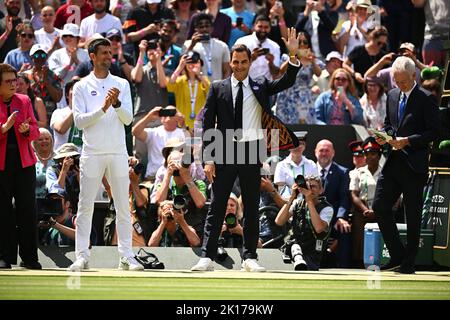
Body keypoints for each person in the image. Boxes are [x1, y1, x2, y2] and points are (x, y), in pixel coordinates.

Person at [191, 28, 302, 272]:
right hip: (225, 152)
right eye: (235, 62)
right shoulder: (217, 87)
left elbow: (287, 81)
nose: (239, 66)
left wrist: (292, 57)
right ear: (230, 62)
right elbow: (208, 124)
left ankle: (250, 257)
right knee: (217, 205)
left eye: (243, 62)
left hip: (252, 151)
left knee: (251, 206)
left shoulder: (261, 84)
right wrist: (208, 159)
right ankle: (207, 257)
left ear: (250, 62)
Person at [70, 38, 143, 272]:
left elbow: (128, 119)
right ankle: (82, 256)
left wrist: (117, 104)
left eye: (110, 52)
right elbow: (80, 122)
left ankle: (126, 256)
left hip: (118, 152)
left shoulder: (121, 83)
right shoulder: (81, 86)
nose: (108, 57)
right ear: (92, 56)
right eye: (103, 53)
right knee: (85, 206)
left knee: (123, 206)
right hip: (92, 152)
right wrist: (103, 107)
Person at [372, 56, 440, 274]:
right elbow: (390, 124)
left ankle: (408, 263)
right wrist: (386, 136)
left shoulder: (426, 98)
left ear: (414, 76)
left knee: (412, 215)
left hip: (414, 164)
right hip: (393, 161)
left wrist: (408, 140)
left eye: (402, 81)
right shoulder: (392, 95)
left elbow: (434, 132)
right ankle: (397, 255)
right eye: (395, 80)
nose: (398, 85)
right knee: (379, 206)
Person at [0, 63, 41, 270]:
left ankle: (30, 257)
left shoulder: (24, 100)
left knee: (27, 208)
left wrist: (26, 130)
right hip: (1, 164)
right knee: (2, 209)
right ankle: (3, 256)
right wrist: (3, 129)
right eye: (8, 81)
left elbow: (36, 129)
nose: (13, 84)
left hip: (24, 161)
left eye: (14, 80)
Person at [275, 175, 333, 270]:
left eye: (313, 186)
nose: (310, 189)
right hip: (294, 248)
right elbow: (279, 221)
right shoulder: (298, 203)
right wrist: (291, 198)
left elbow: (319, 228)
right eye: (307, 186)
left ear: (321, 190)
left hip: (311, 252)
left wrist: (309, 200)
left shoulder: (326, 208)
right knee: (293, 246)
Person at [314, 139, 351, 268]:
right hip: (312, 218)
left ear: (333, 153)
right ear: (315, 152)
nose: (324, 153)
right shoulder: (308, 169)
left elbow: (344, 198)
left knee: (344, 229)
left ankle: (344, 269)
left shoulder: (342, 172)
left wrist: (341, 218)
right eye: (321, 150)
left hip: (333, 219)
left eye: (327, 150)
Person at [275, 31, 322, 124]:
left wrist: (312, 61)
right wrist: (293, 57)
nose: (302, 44)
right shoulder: (287, 57)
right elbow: (281, 71)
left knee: (304, 128)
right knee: (284, 126)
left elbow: (319, 74)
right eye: (299, 42)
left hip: (304, 98)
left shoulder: (312, 60)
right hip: (287, 95)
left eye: (305, 42)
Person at [350, 137, 382, 267]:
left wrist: (377, 210)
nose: (369, 157)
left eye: (373, 153)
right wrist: (365, 210)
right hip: (362, 211)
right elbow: (353, 194)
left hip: (381, 210)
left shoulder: (384, 172)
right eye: (366, 154)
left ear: (379, 155)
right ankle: (360, 265)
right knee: (360, 241)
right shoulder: (358, 173)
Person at [132, 105, 186, 181]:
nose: (168, 116)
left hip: (176, 178)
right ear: (161, 118)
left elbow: (195, 146)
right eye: (165, 113)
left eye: (171, 113)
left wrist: (183, 124)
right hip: (152, 178)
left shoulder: (183, 133)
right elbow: (135, 132)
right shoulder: (154, 132)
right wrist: (149, 117)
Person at [165, 50, 210, 130]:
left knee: (198, 142)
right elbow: (170, 86)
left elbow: (210, 91)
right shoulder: (180, 80)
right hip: (182, 125)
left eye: (194, 62)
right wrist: (179, 67)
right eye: (188, 62)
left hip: (200, 125)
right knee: (185, 142)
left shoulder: (203, 80)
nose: (191, 64)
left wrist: (199, 74)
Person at [183, 13, 231, 82]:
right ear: (196, 29)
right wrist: (192, 45)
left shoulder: (222, 46)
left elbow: (227, 71)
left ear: (212, 28)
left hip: (216, 89)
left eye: (207, 26)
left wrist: (222, 88)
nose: (204, 29)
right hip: (196, 89)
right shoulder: (187, 44)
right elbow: (182, 65)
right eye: (201, 27)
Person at [234, 15, 280, 81]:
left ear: (270, 28)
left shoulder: (275, 46)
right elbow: (235, 67)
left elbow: (276, 73)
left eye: (266, 27)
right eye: (260, 26)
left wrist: (271, 62)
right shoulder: (242, 42)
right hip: (245, 85)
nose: (263, 30)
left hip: (266, 88)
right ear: (254, 26)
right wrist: (251, 59)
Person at [274, 131, 318, 198]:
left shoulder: (311, 164)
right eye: (294, 144)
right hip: (287, 202)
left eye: (300, 144)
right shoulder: (281, 165)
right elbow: (280, 190)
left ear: (304, 146)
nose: (297, 147)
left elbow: (316, 187)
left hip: (309, 201)